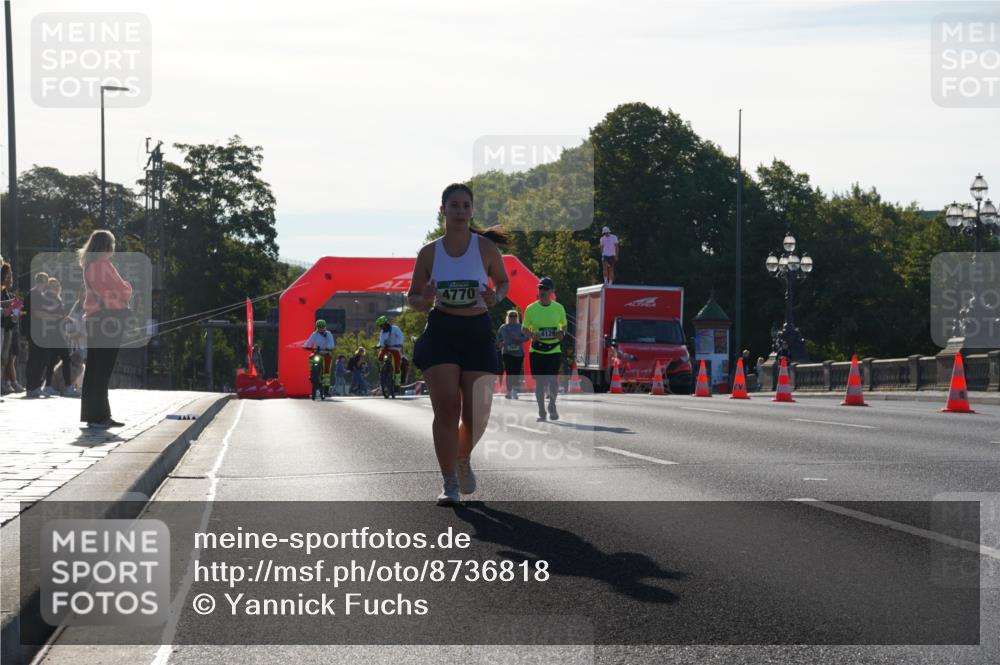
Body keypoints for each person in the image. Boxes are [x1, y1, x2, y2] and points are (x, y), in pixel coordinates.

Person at [408, 182, 510, 506]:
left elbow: (503, 282)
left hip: (477, 330)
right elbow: (413, 297)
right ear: (443, 211)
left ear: (472, 211)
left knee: (478, 414)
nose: (461, 211)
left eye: (466, 206)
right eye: (454, 206)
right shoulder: (429, 253)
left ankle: (463, 457)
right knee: (448, 408)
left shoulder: (485, 249)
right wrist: (423, 299)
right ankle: (449, 481)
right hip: (442, 331)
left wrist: (498, 296)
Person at [79, 229, 133, 429]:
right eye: (112, 244)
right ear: (106, 246)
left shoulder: (89, 265)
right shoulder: (104, 265)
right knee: (104, 369)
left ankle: (93, 415)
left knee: (94, 367)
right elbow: (122, 289)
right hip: (109, 319)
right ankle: (101, 416)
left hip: (94, 318)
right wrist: (128, 286)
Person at [522, 277, 567, 422]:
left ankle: (552, 405)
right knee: (540, 383)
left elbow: (564, 326)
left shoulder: (559, 308)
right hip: (537, 351)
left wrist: (562, 334)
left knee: (553, 380)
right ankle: (541, 409)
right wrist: (531, 335)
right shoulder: (531, 308)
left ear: (552, 291)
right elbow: (524, 328)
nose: (542, 291)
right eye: (540, 288)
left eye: (545, 289)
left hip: (554, 350)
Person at [42, 277, 77, 396]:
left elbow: (58, 315)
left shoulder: (54, 298)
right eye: (54, 286)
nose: (57, 288)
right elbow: (51, 314)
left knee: (51, 360)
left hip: (55, 332)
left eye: (58, 285)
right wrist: (63, 318)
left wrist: (66, 319)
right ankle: (67, 387)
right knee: (66, 358)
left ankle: (47, 386)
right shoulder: (49, 298)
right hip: (55, 333)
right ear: (48, 287)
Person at [25, 272, 56, 398]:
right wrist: (52, 317)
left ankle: (35, 386)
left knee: (41, 358)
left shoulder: (36, 294)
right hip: (35, 331)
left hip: (38, 331)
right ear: (44, 282)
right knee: (37, 358)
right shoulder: (35, 294)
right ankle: (33, 387)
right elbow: (37, 314)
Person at [1, 261, 25, 394]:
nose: (11, 279)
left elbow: (13, 316)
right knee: (5, 357)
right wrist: (11, 305)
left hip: (9, 328)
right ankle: (10, 383)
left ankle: (6, 383)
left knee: (7, 357)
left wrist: (16, 311)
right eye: (9, 276)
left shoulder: (7, 293)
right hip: (3, 328)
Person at [496, 309, 529, 399]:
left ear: (517, 317)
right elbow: (498, 338)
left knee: (516, 372)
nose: (513, 318)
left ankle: (515, 390)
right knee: (509, 371)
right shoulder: (503, 327)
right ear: (508, 317)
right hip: (507, 352)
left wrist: (519, 339)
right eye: (511, 316)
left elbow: (527, 337)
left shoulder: (521, 327)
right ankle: (510, 390)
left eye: (515, 316)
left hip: (519, 353)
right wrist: (500, 343)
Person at [303, 319, 335, 398]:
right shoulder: (314, 334)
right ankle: (312, 372)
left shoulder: (328, 334)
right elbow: (309, 341)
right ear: (317, 327)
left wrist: (329, 348)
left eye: (322, 327)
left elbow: (332, 343)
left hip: (326, 353)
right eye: (319, 327)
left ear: (325, 327)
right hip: (317, 352)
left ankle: (326, 389)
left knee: (326, 370)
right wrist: (306, 346)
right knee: (311, 357)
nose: (321, 329)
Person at [375, 315, 405, 391]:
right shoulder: (382, 332)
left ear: (385, 324)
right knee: (380, 357)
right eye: (380, 326)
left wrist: (400, 343)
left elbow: (401, 337)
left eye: (381, 326)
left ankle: (397, 383)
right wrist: (379, 345)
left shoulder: (395, 329)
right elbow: (381, 341)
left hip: (395, 348)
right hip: (386, 348)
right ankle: (382, 373)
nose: (381, 328)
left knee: (397, 365)